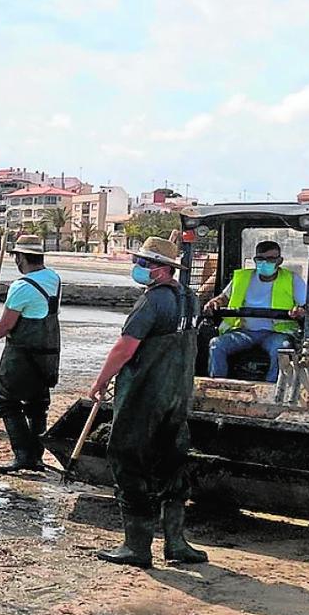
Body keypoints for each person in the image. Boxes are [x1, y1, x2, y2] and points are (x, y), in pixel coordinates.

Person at [88, 237, 204, 567]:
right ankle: (176, 543)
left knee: (129, 461)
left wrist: (101, 380)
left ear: (161, 269)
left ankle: (136, 547)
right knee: (173, 465)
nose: (137, 267)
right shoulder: (190, 299)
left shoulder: (152, 301)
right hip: (177, 397)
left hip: (145, 397)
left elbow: (125, 348)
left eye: (143, 263)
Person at [0, 234, 61, 474]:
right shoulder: (54, 278)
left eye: (17, 257)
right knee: (38, 404)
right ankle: (36, 455)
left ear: (21, 258)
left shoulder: (22, 287)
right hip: (49, 353)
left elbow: (6, 325)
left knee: (6, 401)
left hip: (23, 354)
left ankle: (23, 455)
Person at [204, 240, 306, 383]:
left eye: (270, 259)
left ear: (280, 261)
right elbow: (224, 297)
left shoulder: (292, 280)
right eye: (261, 259)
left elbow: (305, 306)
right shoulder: (243, 278)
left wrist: (299, 311)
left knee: (281, 348)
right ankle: (217, 384)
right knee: (217, 344)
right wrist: (214, 303)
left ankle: (272, 387)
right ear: (255, 260)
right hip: (244, 331)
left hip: (276, 333)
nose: (265, 263)